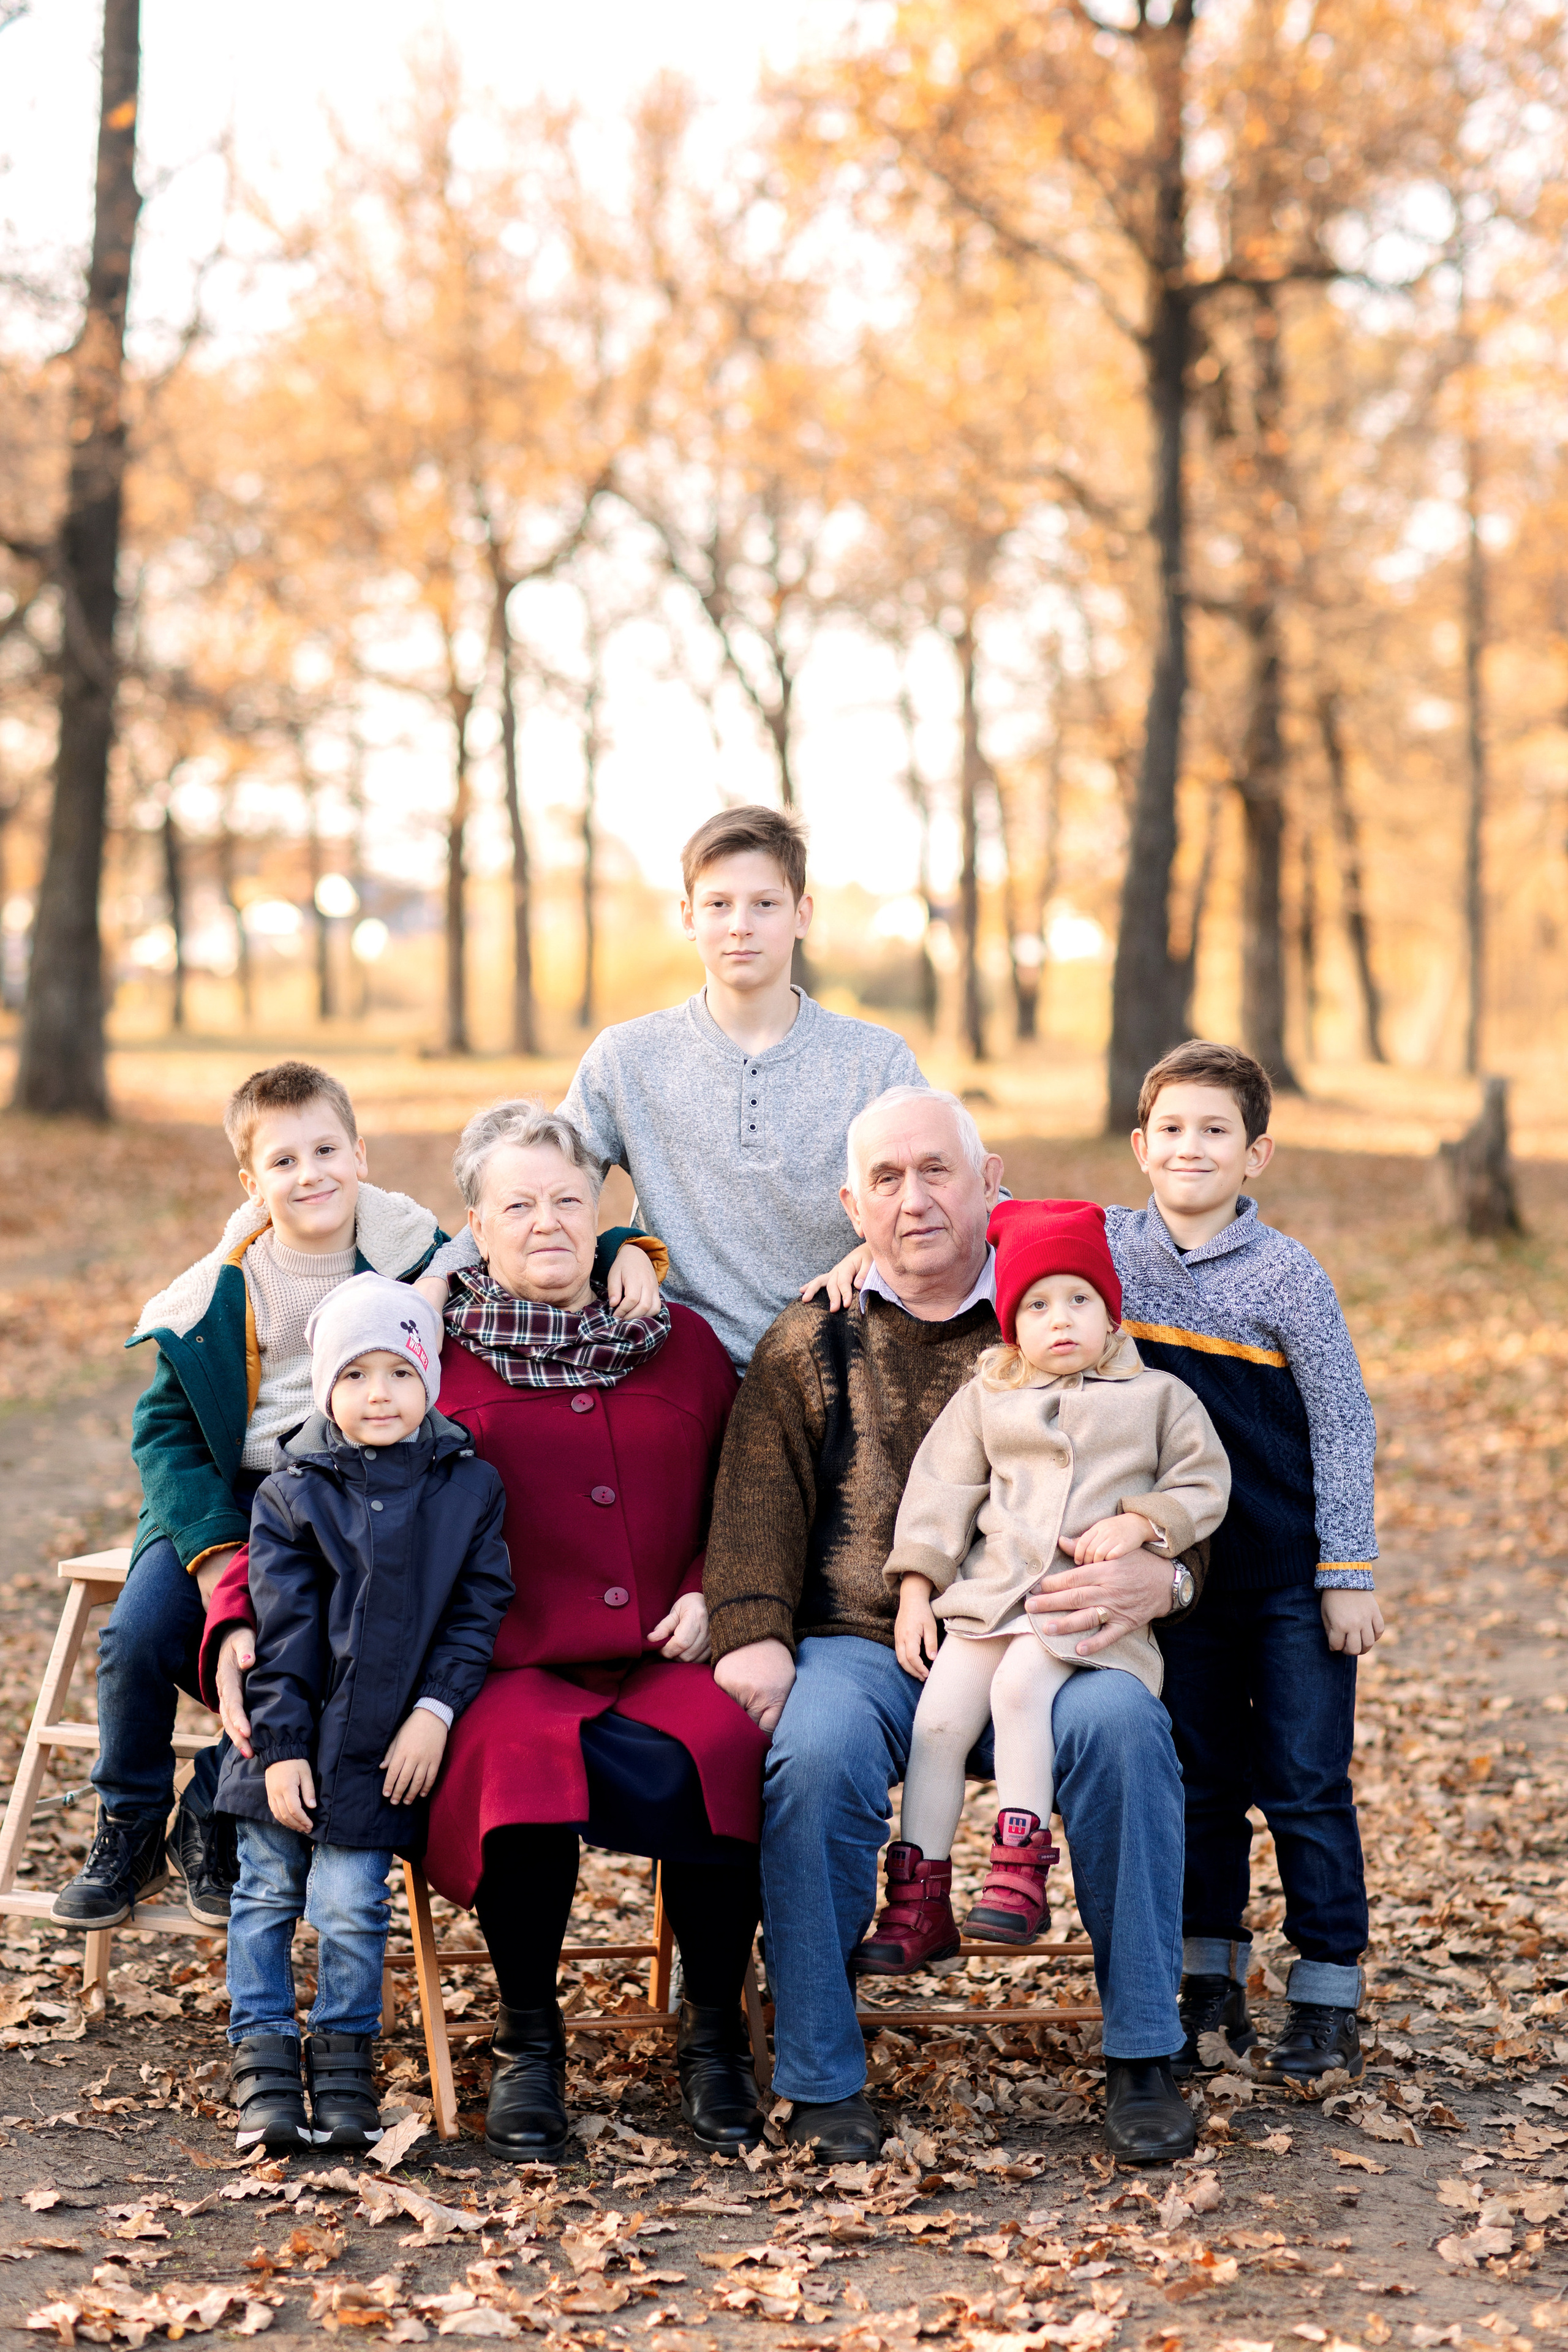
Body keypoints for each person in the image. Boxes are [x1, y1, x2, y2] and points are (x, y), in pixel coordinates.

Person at [221, 1102, 771, 2161]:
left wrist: (719, 1590)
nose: (547, 1223)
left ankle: (713, 2038)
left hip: (670, 1649)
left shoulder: (684, 1341)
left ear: (606, 1212)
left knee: (729, 1745)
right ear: (476, 1221)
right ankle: (529, 2041)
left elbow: (750, 1493)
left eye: (570, 1201)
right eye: (518, 1204)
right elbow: (312, 1499)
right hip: (498, 1664)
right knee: (517, 1764)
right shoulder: (427, 1359)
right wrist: (231, 1619)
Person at [704, 1085, 1206, 2165]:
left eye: (938, 1170)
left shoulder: (1063, 1310)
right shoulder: (816, 1336)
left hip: (1063, 1631)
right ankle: (824, 2075)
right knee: (818, 1750)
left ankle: (1143, 2055)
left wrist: (1161, 1581)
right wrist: (749, 1626)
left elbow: (1176, 1479)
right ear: (852, 1203)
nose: (914, 1198)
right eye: (886, 1178)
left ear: (992, 1181)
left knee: (1125, 1737)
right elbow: (756, 1500)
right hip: (866, 1636)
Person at [63, 1060, 657, 1936]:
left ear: (361, 1154)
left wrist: (622, 1250)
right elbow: (165, 1433)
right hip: (234, 1497)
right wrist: (217, 1557)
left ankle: (218, 1805)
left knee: (335, 1641)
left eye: (327, 1150)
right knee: (141, 1636)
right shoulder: (218, 1293)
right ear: (252, 1183)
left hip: (355, 1487)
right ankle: (128, 1819)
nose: (311, 1175)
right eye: (284, 1162)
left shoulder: (409, 1250)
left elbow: (518, 1232)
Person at [856, 1199, 1229, 1969]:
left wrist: (1143, 1525)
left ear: (1110, 1313)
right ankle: (919, 1901)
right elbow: (940, 1490)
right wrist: (919, 1588)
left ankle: (1018, 1875)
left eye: (1079, 1300)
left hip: (1084, 1606)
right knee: (937, 1722)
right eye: (1036, 1304)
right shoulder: (989, 1396)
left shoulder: (1158, 1398)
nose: (1060, 1320)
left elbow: (1203, 1482)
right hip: (989, 1600)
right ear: (1011, 1323)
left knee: (1021, 1688)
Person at [417, 806, 925, 1370]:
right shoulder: (628, 1059)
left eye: (765, 903)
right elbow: (534, 1187)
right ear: (688, 916)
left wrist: (878, 1252)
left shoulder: (874, 1061)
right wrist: (438, 1277)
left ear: (802, 914)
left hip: (841, 1364)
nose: (740, 925)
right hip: (679, 1365)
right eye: (718, 904)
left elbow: (969, 1199)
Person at [1109, 1039, 1381, 2086]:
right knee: (1201, 1783)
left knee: (1306, 1781)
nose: (1191, 1148)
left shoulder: (1287, 1275)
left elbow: (1344, 1423)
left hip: (1286, 1577)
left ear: (1256, 1154)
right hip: (1182, 1582)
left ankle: (1325, 1991)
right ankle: (1206, 1975)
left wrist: (1347, 1570)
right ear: (1140, 1144)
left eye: (1216, 1131)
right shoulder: (1111, 1254)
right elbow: (985, 1235)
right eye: (1172, 1129)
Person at [209, 1276, 513, 2153]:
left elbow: (477, 1612)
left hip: (386, 1746)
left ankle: (344, 2067)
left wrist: (437, 1710)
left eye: (397, 1372)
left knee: (349, 1905)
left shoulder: (470, 1489)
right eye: (353, 1375)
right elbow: (282, 1633)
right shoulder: (291, 1495)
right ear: (325, 1388)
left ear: (429, 1380)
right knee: (265, 1894)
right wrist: (280, 1745)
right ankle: (264, 2064)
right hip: (282, 1738)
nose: (377, 1394)